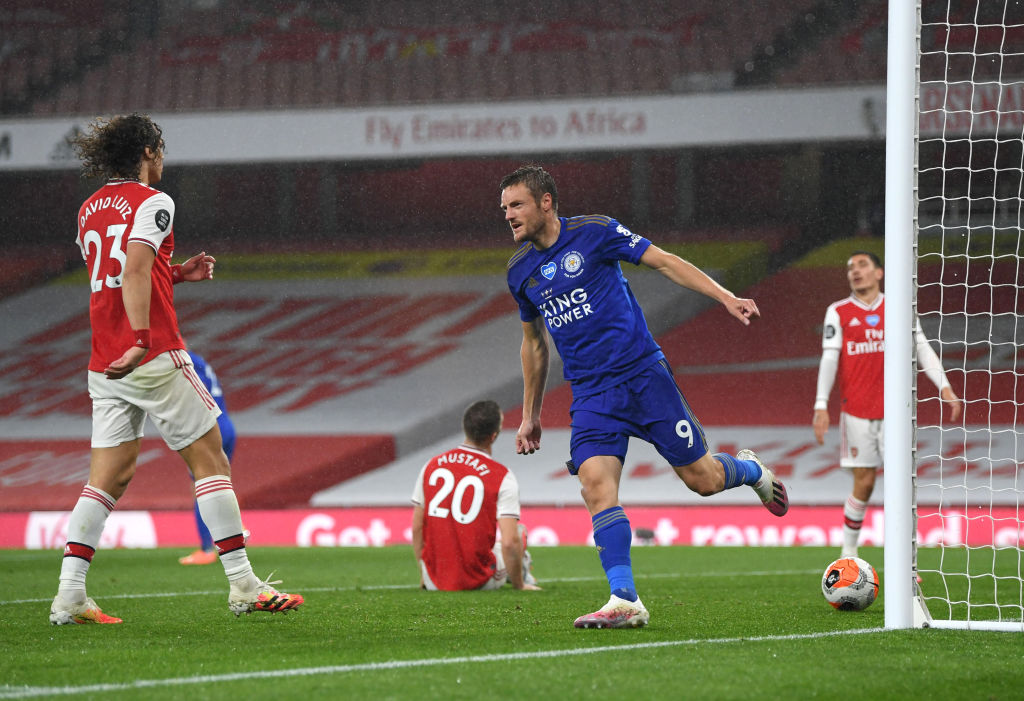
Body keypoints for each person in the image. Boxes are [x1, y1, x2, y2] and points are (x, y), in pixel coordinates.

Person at [500, 165, 788, 629]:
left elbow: (665, 261)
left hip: (642, 377)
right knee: (595, 487)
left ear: (546, 202)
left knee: (704, 479)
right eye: (505, 209)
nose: (509, 215)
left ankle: (751, 469)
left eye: (517, 205)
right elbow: (534, 344)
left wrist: (725, 296)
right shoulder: (520, 272)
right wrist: (530, 414)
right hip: (591, 394)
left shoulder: (595, 233)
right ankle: (624, 599)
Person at [50, 113, 303, 625]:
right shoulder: (154, 201)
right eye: (159, 149)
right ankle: (244, 585)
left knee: (107, 479)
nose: (162, 159)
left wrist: (177, 276)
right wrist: (144, 338)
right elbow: (136, 268)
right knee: (211, 462)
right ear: (146, 151)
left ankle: (70, 595)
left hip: (104, 361)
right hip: (152, 352)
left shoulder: (88, 208)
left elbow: (116, 276)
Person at [813, 250, 962, 558]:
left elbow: (921, 346)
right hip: (856, 411)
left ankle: (907, 562)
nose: (855, 271)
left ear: (879, 273)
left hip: (896, 414)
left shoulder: (898, 307)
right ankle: (848, 555)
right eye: (850, 267)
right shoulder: (838, 311)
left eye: (862, 265)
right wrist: (820, 405)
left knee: (901, 486)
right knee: (864, 483)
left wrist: (944, 385)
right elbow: (830, 357)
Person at [411, 400, 540, 592]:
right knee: (519, 533)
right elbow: (509, 542)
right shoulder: (501, 476)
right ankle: (522, 577)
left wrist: (425, 573)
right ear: (493, 436)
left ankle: (430, 576)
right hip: (478, 580)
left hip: (434, 580)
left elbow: (417, 527)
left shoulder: (432, 465)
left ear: (465, 428)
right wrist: (519, 587)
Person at [178, 351, 237, 566]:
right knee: (221, 486)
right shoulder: (198, 359)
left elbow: (194, 394)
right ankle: (233, 539)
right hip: (226, 424)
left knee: (201, 489)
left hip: (208, 428)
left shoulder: (180, 360)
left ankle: (206, 549)